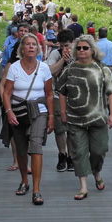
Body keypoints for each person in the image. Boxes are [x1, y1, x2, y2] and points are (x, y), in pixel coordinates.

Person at [58, 35, 112, 200]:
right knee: (79, 152)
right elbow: (61, 92)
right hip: (75, 119)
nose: (82, 51)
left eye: (85, 48)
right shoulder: (69, 69)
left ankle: (96, 172)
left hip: (98, 118)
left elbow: (111, 92)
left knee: (99, 151)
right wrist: (63, 113)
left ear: (92, 50)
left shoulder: (102, 69)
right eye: (78, 48)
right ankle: (83, 186)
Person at [2, 34, 55, 206]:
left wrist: (51, 116)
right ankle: (24, 180)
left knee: (36, 147)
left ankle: (36, 190)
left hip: (39, 111)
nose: (31, 47)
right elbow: (7, 93)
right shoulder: (14, 68)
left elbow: (49, 94)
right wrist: (9, 111)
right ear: (22, 49)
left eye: (34, 44)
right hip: (18, 111)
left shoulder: (44, 68)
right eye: (28, 44)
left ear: (38, 49)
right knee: (22, 150)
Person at [46, 29, 76, 172]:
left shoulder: (79, 53)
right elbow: (50, 71)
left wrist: (70, 61)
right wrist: (62, 60)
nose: (65, 49)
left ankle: (71, 156)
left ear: (73, 43)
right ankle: (62, 154)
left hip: (74, 96)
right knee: (60, 127)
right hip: (57, 94)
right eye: (62, 46)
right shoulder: (55, 54)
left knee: (72, 128)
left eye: (67, 46)